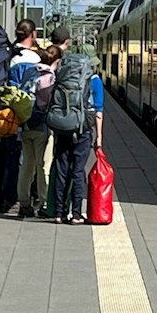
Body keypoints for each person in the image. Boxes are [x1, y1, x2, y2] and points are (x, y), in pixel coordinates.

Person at [46, 28, 105, 225]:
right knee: (78, 171)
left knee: (62, 169)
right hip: (83, 129)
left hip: (63, 126)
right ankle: (77, 214)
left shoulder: (62, 74)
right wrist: (99, 138)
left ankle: (59, 213)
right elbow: (98, 112)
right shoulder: (94, 80)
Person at [0, 20, 38, 213]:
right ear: (32, 35)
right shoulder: (32, 58)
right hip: (18, 116)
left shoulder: (3, 55)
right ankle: (12, 198)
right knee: (15, 158)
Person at [15, 44, 61, 219]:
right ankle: (44, 203)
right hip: (42, 127)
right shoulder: (50, 77)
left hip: (26, 124)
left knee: (27, 165)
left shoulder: (29, 72)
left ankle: (24, 203)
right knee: (44, 166)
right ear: (56, 60)